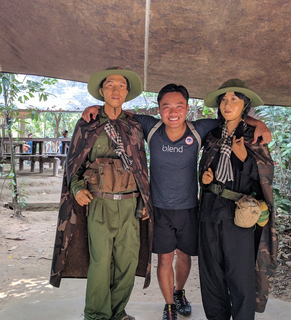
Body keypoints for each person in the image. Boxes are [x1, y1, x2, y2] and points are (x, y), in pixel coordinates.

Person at [82, 84, 272, 320]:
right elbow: (119, 113)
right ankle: (170, 305)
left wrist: (259, 123)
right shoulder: (151, 127)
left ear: (187, 108)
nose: (173, 112)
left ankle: (180, 293)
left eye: (179, 106)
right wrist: (95, 107)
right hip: (161, 208)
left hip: (191, 208)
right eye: (166, 107)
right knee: (165, 257)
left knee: (185, 256)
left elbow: (232, 120)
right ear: (159, 109)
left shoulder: (200, 129)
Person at [50, 67, 153, 320]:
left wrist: (144, 201)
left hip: (130, 204)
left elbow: (141, 165)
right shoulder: (88, 123)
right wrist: (76, 188)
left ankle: (118, 313)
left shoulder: (135, 126)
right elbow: (73, 164)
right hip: (99, 204)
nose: (115, 90)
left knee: (127, 264)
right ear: (101, 90)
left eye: (121, 85)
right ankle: (96, 315)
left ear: (127, 92)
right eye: (110, 85)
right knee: (100, 264)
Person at [198, 79, 277, 319]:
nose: (227, 104)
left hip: (240, 217)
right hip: (210, 211)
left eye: (234, 99)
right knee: (211, 277)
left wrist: (245, 159)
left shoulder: (254, 137)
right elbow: (204, 167)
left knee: (240, 276)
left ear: (245, 104)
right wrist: (205, 178)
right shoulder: (212, 136)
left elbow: (265, 177)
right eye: (224, 99)